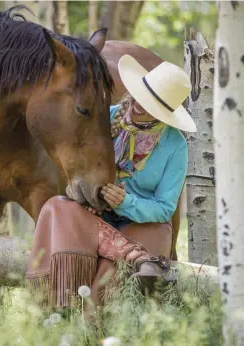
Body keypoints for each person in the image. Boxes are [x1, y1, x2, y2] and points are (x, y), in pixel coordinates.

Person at [25, 55, 197, 307]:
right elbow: (78, 163)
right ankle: (137, 258)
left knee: (100, 296)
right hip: (95, 218)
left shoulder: (175, 146)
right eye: (141, 96)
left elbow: (165, 208)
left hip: (142, 226)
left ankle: (134, 258)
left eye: (152, 106)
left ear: (166, 113)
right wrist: (82, 194)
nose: (140, 105)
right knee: (57, 206)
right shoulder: (105, 117)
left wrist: (125, 202)